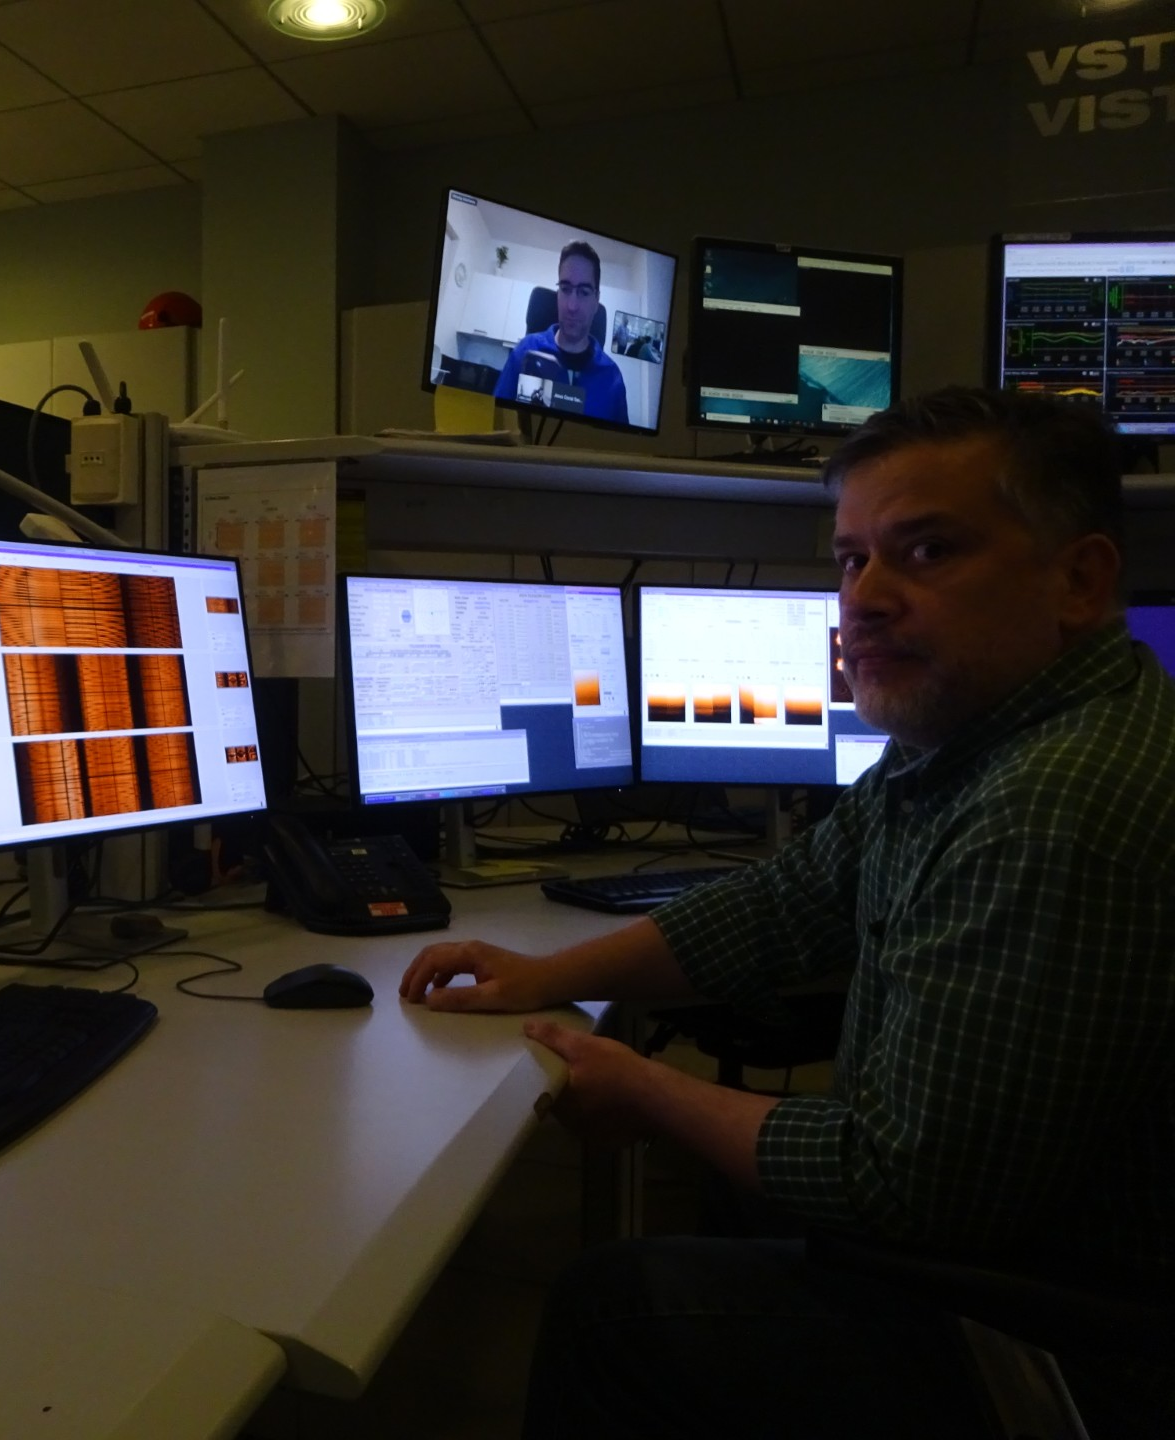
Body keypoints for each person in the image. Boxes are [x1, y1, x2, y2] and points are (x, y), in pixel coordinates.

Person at [400, 387, 1175, 1438]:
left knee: (615, 1304)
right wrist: (553, 976)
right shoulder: (987, 732)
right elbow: (789, 900)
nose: (865, 598)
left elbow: (900, 1187)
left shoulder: (1049, 808)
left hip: (1070, 1342)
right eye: (853, 559)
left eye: (928, 552)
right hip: (1021, 1242)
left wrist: (648, 1088)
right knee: (730, 1199)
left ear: (1078, 580)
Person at [493, 240, 629, 425]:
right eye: (565, 289)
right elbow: (496, 424)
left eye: (584, 292)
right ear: (558, 293)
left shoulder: (612, 378)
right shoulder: (524, 353)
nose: (572, 306)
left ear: (596, 299)